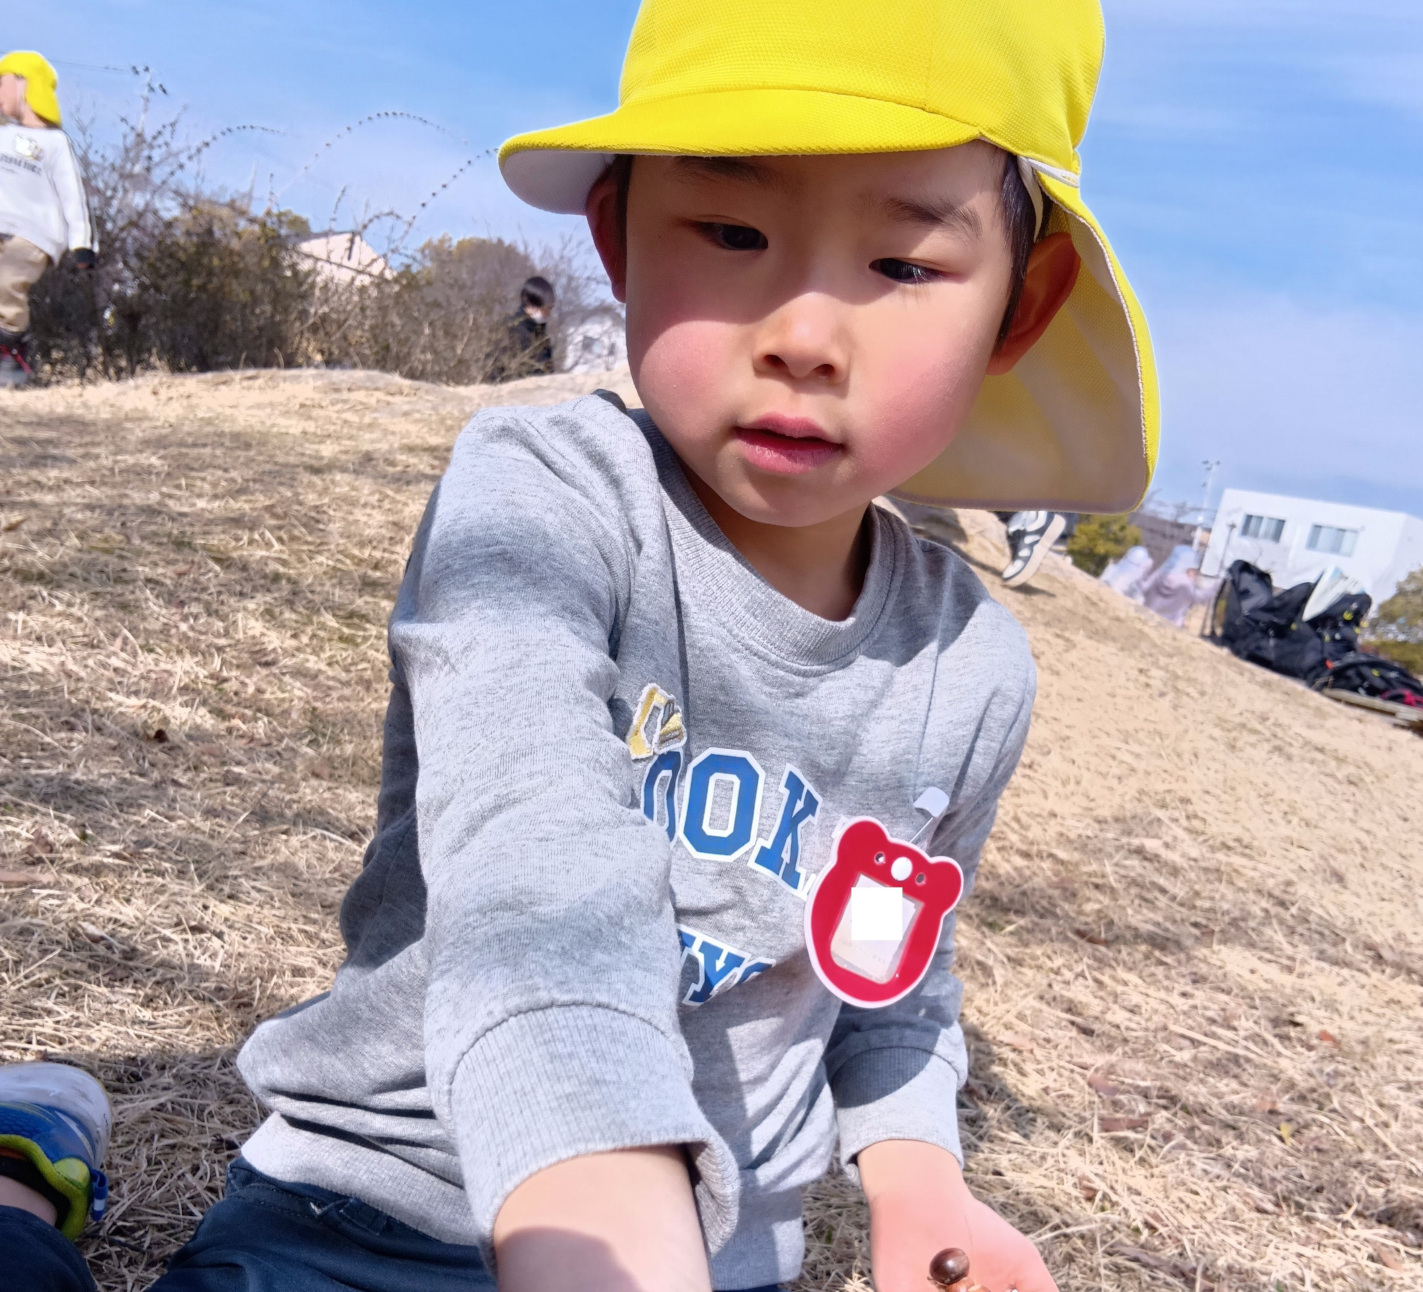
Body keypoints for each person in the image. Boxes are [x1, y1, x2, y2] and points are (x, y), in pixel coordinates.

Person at [0, 0, 1158, 1289]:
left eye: (903, 266)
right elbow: (530, 844)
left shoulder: (973, 670)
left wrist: (919, 1174)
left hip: (712, 1258)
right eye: (731, 232)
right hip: (386, 1204)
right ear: (618, 235)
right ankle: (20, 1172)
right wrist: (607, 1202)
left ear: (1021, 303)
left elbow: (892, 980)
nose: (806, 338)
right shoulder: (544, 495)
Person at [0, 51, 95, 388]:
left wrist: (82, 243)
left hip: (35, 234)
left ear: (24, 85)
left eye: (3, 82)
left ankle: (13, 349)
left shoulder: (55, 144)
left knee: (6, 278)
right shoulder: (4, 135)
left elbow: (73, 195)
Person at [487, 274, 556, 380]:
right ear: (530, 304)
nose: (548, 313)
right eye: (545, 308)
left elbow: (548, 371)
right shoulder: (509, 330)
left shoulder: (542, 335)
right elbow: (494, 370)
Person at [1139, 545, 1214, 627]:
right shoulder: (1186, 584)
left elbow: (1144, 588)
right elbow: (1198, 597)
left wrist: (1143, 570)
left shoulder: (1160, 574)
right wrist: (1215, 586)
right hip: (1170, 627)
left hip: (1147, 620)